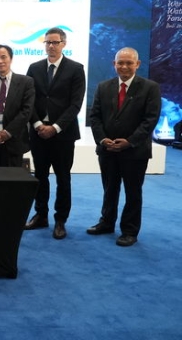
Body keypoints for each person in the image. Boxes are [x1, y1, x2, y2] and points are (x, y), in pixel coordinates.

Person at [87, 47, 161, 247]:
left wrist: (129, 141)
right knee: (109, 189)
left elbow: (150, 119)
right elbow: (95, 117)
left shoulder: (150, 88)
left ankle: (129, 230)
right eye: (120, 62)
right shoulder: (103, 87)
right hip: (107, 150)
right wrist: (102, 139)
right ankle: (106, 222)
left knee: (133, 192)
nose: (124, 66)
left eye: (129, 63)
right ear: (114, 64)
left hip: (135, 151)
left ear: (137, 64)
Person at [24, 27, 86, 240]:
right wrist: (37, 124)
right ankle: (41, 215)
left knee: (63, 178)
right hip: (38, 132)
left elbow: (75, 104)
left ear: (63, 44)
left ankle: (61, 220)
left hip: (63, 134)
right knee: (40, 176)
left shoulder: (76, 69)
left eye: (55, 42)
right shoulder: (34, 68)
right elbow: (28, 101)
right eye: (48, 42)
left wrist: (56, 127)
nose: (51, 46)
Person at [0, 44, 35, 167]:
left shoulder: (26, 82)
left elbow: (26, 111)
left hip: (14, 141)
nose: (0, 61)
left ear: (11, 58)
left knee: (13, 178)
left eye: (3, 57)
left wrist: (8, 132)